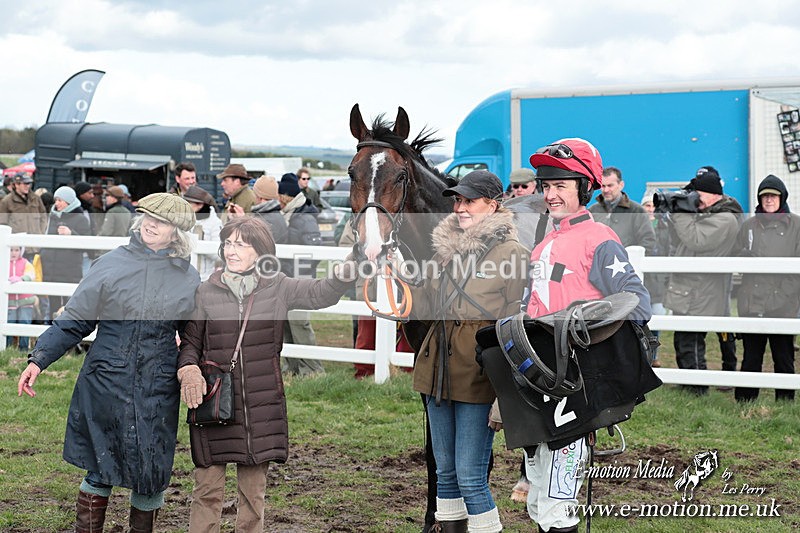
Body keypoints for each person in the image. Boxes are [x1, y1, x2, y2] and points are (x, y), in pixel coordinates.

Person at [17, 193, 200, 533]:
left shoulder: (188, 278)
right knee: (100, 465)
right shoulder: (111, 264)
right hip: (106, 380)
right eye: (146, 216)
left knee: (151, 471)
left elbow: (194, 335)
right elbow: (75, 319)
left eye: (159, 221)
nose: (149, 224)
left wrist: (191, 367)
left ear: (176, 232)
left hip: (157, 385)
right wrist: (39, 359)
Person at [178, 216, 357, 532]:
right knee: (206, 490)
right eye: (228, 243)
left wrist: (344, 274)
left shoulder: (279, 287)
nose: (231, 250)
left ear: (260, 251)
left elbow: (322, 293)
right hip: (213, 402)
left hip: (260, 408)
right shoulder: (206, 291)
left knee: (252, 496)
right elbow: (191, 341)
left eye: (241, 244)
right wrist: (188, 369)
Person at [522, 138, 651, 533]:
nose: (551, 194)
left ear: (585, 188)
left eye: (561, 185)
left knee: (558, 503)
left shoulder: (600, 240)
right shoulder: (544, 244)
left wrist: (581, 322)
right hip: (539, 376)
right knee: (537, 498)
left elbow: (637, 301)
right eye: (546, 186)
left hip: (575, 382)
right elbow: (540, 299)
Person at [409, 170, 529, 532]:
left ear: (492, 206)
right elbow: (426, 306)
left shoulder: (514, 255)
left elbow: (516, 328)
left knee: (471, 475)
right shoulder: (445, 251)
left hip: (480, 375)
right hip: (437, 370)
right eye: (457, 200)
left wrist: (506, 393)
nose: (460, 208)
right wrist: (398, 287)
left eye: (469, 201)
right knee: (444, 470)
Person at [664, 166, 741, 394]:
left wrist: (680, 211)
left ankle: (697, 387)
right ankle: (689, 382)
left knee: (693, 340)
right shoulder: (705, 214)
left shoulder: (726, 218)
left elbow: (696, 239)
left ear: (714, 194)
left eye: (699, 193)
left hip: (704, 290)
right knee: (683, 338)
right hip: (689, 287)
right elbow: (680, 238)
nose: (695, 198)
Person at [734, 175, 800, 402]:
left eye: (773, 196)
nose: (768, 200)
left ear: (781, 198)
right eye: (764, 196)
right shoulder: (749, 225)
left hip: (783, 304)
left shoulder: (796, 225)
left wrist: (780, 297)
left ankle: (785, 401)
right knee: (751, 356)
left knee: (783, 356)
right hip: (752, 301)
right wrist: (741, 256)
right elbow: (735, 254)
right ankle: (745, 401)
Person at [278, 172, 327, 376]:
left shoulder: (304, 216)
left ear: (285, 196)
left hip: (300, 279)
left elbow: (313, 251)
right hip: (287, 277)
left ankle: (313, 370)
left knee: (300, 323)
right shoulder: (291, 214)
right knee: (287, 324)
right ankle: (293, 367)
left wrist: (301, 276)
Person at [41, 186, 91, 319]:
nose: (56, 203)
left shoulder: (81, 219)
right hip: (51, 269)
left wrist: (71, 234)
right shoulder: (52, 217)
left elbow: (89, 244)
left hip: (70, 270)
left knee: (71, 304)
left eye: (60, 200)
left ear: (69, 202)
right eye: (55, 200)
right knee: (52, 304)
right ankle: (52, 333)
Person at [588, 166, 656, 252]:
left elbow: (648, 241)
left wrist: (631, 261)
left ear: (621, 185)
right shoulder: (592, 211)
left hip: (626, 263)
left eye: (610, 185)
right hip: (597, 263)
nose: (606, 190)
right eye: (603, 186)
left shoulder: (636, 211)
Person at [641, 193, 669, 367]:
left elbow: (668, 249)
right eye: (647, 206)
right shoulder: (639, 226)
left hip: (658, 282)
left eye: (653, 206)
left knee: (656, 319)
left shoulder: (664, 227)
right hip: (642, 280)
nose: (650, 209)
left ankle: (653, 355)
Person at [183, 185, 223, 281]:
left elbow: (219, 254)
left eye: (189, 203)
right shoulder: (185, 219)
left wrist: (201, 246)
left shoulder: (215, 223)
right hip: (183, 276)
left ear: (200, 205)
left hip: (204, 277)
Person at [0, 174, 47, 245]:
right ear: (16, 185)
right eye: (25, 184)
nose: (28, 186)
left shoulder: (36, 199)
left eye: (29, 183)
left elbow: (43, 217)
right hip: (17, 246)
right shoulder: (7, 201)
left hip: (36, 245)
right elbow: (3, 224)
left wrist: (41, 233)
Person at [7, 245, 36, 351]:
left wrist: (21, 279)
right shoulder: (4, 263)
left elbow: (32, 274)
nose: (13, 253)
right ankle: (8, 348)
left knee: (24, 322)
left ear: (21, 251)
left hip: (25, 300)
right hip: (9, 302)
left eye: (16, 250)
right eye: (11, 250)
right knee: (9, 323)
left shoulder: (26, 263)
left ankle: (23, 349)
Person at [249, 175, 289, 245]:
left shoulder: (268, 220)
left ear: (260, 197)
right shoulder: (273, 214)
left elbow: (253, 245)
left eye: (254, 194)